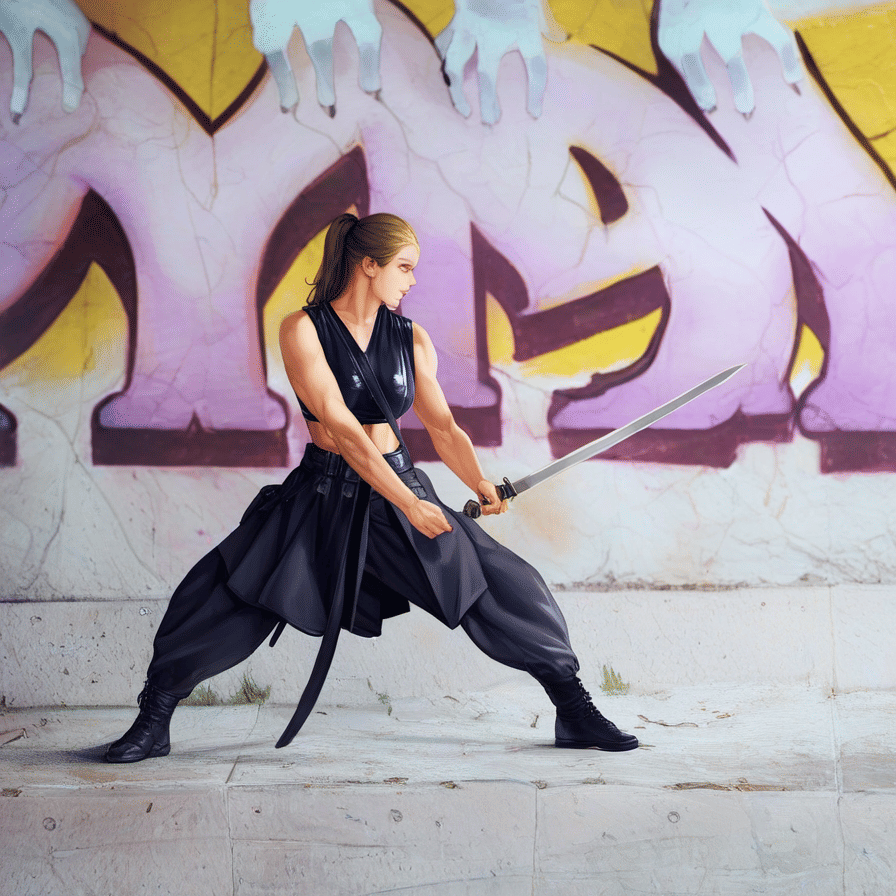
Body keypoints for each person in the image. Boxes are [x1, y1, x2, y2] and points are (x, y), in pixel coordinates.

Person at [104, 212, 638, 763]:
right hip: (323, 494)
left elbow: (443, 427)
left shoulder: (410, 337)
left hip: (400, 482)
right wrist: (409, 504)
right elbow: (341, 429)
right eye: (404, 267)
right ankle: (154, 717)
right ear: (368, 265)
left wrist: (478, 481)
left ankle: (573, 709)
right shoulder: (303, 329)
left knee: (503, 586)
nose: (411, 280)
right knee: (225, 591)